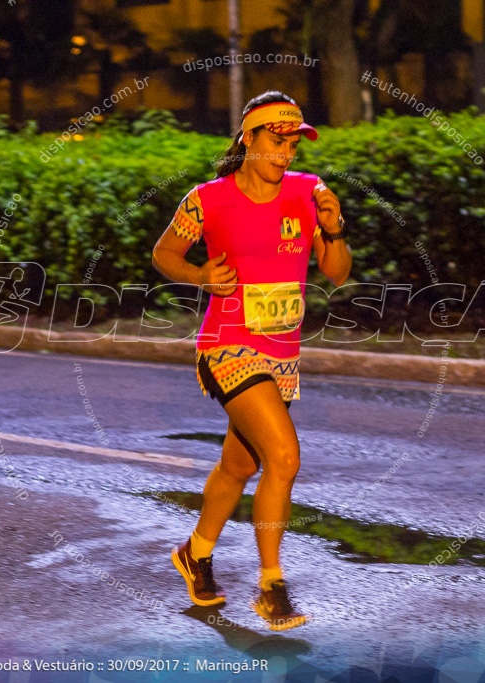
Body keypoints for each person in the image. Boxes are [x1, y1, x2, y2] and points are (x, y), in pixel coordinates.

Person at [151, 91, 351, 630]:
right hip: (227, 344)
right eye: (277, 139)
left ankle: (195, 552)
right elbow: (164, 253)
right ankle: (271, 585)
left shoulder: (311, 193)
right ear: (249, 139)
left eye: (294, 142)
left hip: (283, 352)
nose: (288, 151)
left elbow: (337, 272)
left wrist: (332, 228)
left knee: (241, 465)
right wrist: (198, 276)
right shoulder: (207, 199)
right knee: (283, 456)